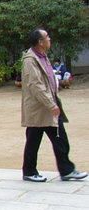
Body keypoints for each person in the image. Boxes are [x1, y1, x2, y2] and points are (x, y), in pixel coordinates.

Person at [21, 29, 87, 182]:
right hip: (40, 108)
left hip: (47, 106)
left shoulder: (42, 56)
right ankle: (33, 171)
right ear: (40, 42)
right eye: (47, 37)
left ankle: (65, 170)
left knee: (56, 138)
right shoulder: (30, 60)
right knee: (39, 140)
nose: (49, 39)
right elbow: (36, 85)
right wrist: (51, 104)